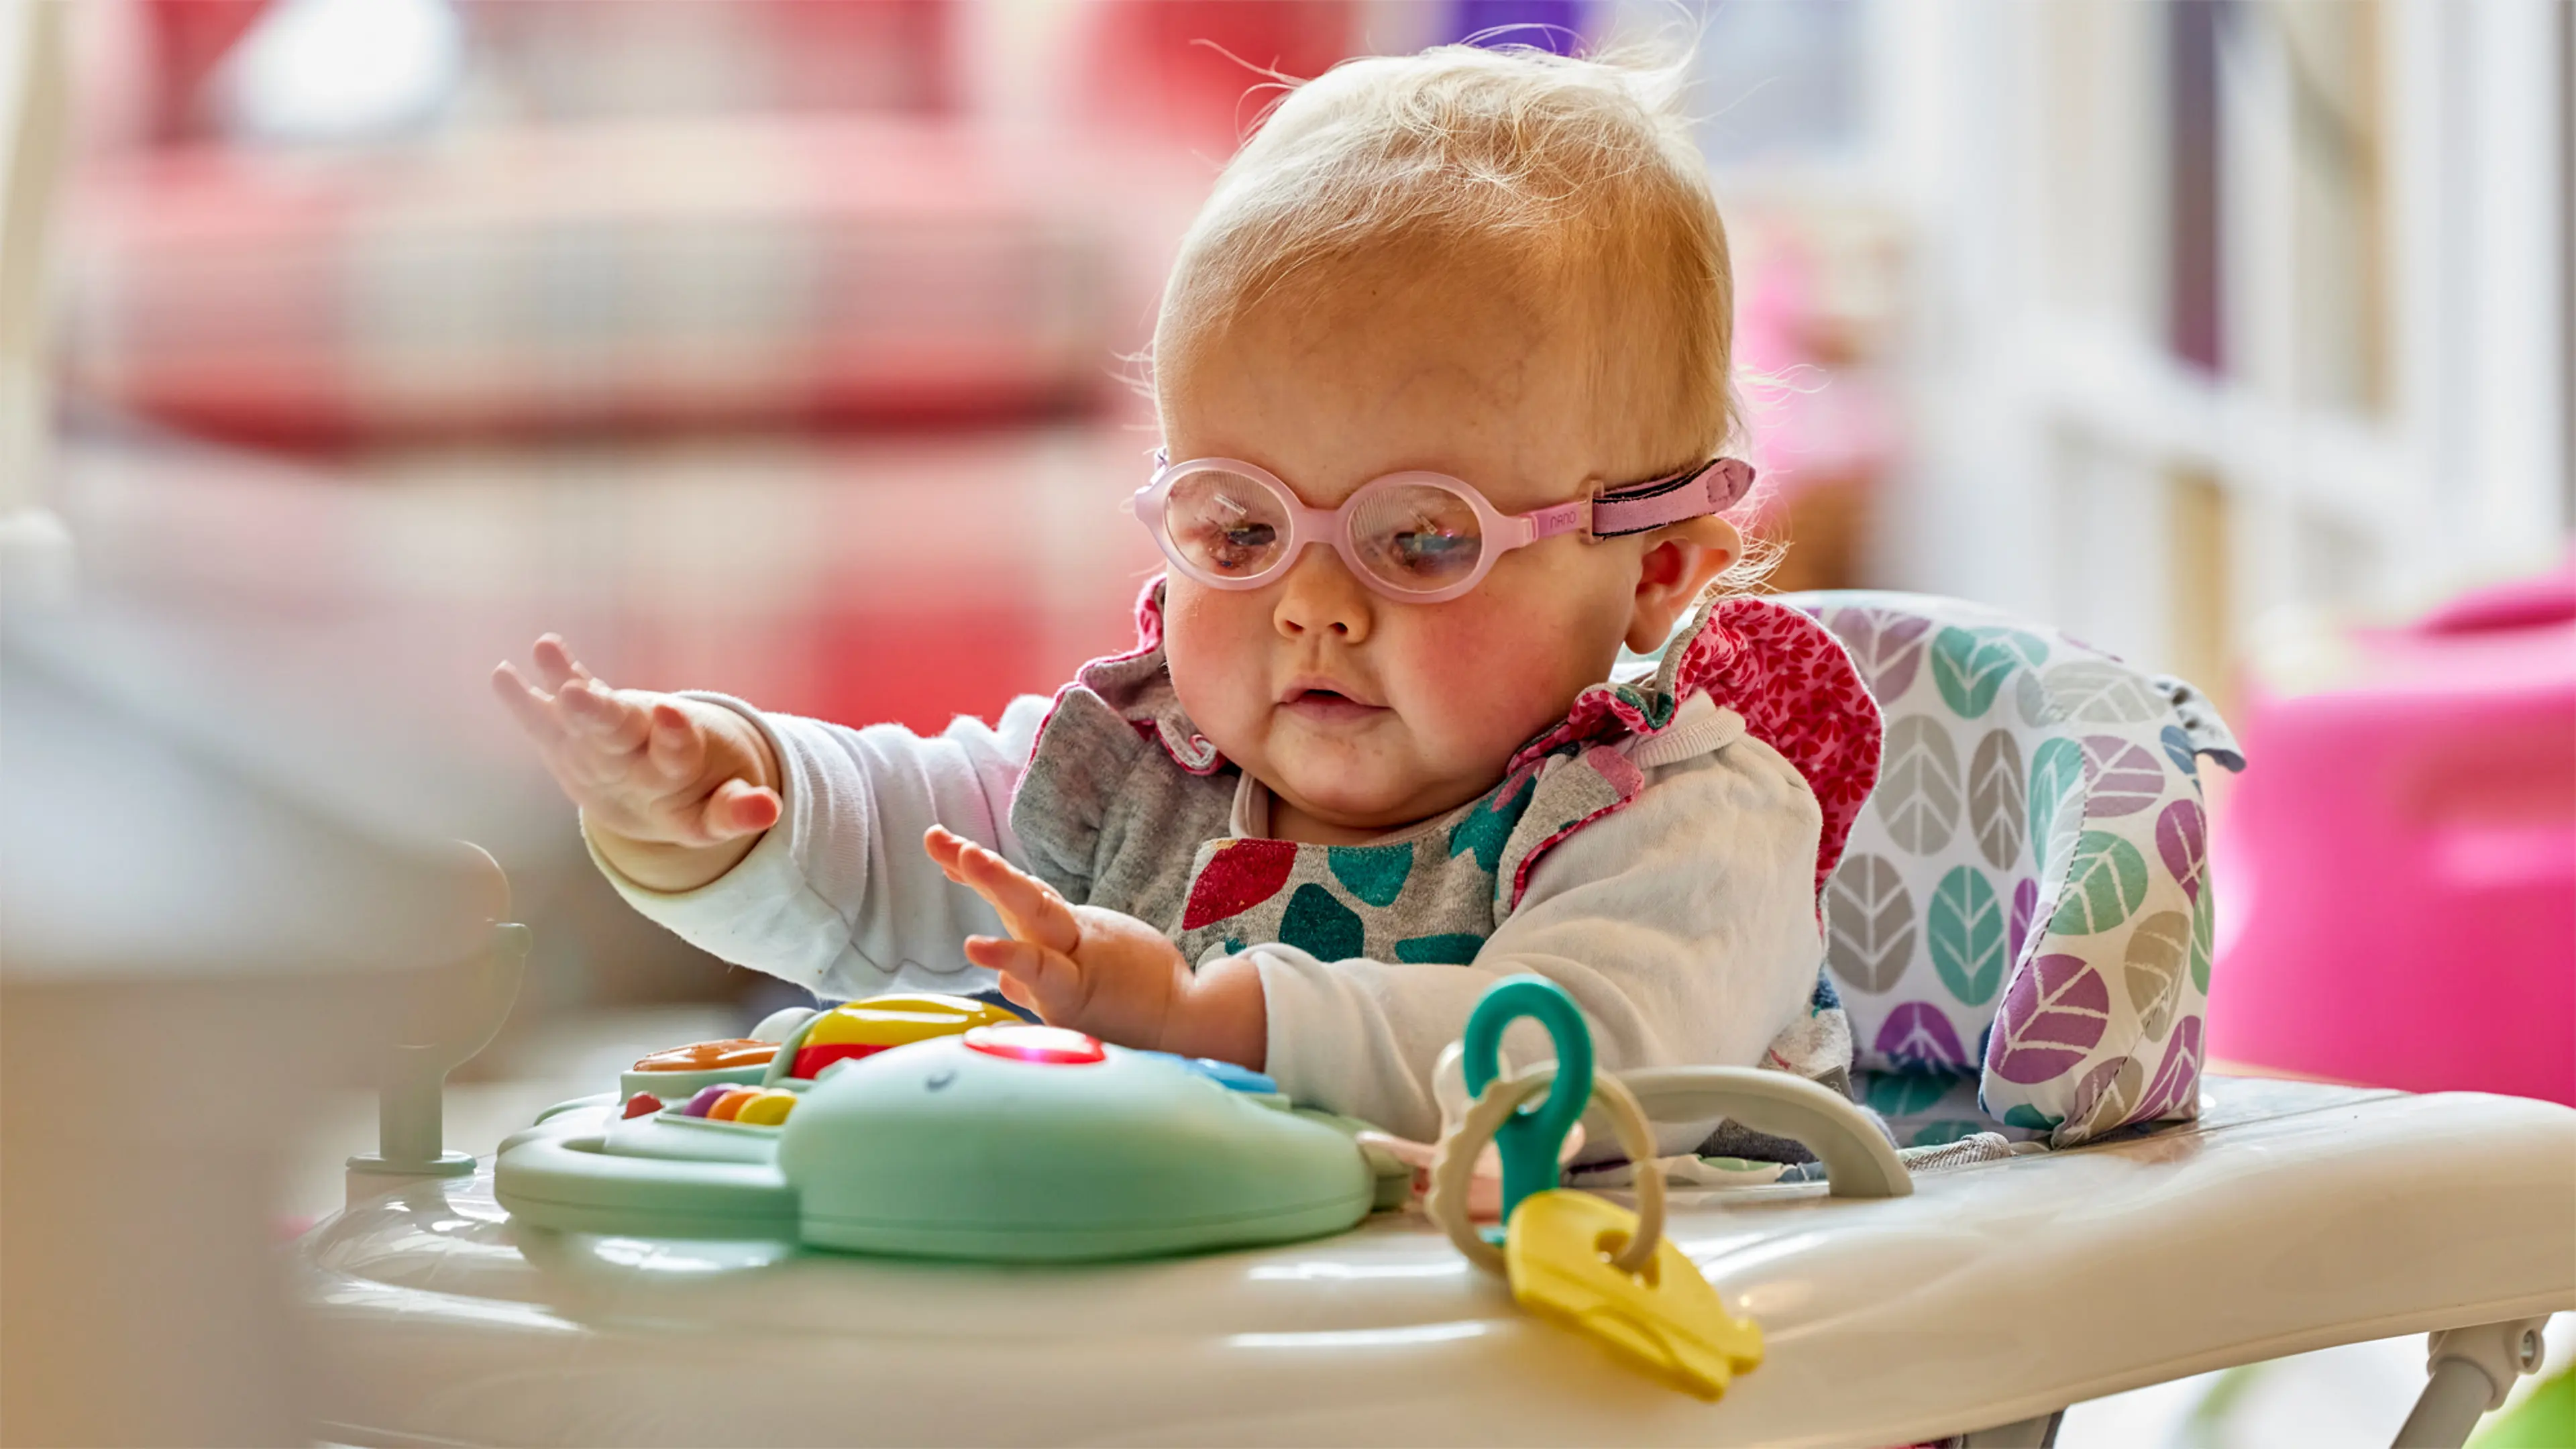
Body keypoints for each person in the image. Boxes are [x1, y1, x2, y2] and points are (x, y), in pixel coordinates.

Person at [493, 44, 1882, 1155]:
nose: (1312, 605)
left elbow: (1572, 1057)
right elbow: (910, 860)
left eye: (1417, 539)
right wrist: (723, 800)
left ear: (1655, 572)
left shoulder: (1681, 819)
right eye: (1240, 526)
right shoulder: (1144, 770)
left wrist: (1210, 1020)